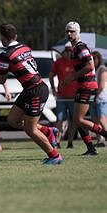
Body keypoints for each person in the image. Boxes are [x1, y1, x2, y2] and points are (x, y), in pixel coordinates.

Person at [0, 23, 63, 165]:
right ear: (16, 36)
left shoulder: (5, 55)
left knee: (30, 129)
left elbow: (1, 79)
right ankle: (49, 131)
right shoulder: (25, 47)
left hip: (35, 90)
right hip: (30, 89)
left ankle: (54, 156)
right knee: (12, 120)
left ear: (2, 37)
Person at [61, 21, 107, 156]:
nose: (69, 34)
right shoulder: (75, 47)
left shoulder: (80, 47)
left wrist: (71, 77)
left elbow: (90, 66)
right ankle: (91, 149)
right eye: (67, 31)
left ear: (78, 32)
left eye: (72, 31)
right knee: (76, 119)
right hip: (82, 86)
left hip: (87, 86)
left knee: (79, 120)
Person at [49, 42, 77, 149]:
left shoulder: (76, 62)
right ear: (64, 51)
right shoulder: (59, 62)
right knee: (59, 119)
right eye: (67, 51)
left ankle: (70, 142)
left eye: (71, 51)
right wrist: (53, 89)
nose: (69, 53)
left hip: (74, 96)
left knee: (73, 120)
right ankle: (57, 141)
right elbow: (51, 75)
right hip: (61, 96)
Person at [89, 51, 107, 147]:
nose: (93, 60)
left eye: (94, 58)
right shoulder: (92, 69)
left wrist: (95, 96)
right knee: (95, 120)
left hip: (101, 98)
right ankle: (100, 140)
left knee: (102, 119)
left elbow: (101, 86)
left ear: (99, 59)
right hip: (92, 98)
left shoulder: (102, 69)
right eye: (91, 59)